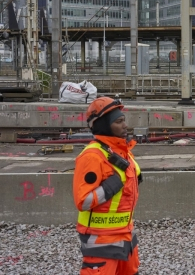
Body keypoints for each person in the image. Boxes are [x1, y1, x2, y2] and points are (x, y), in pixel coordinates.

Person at [73, 97, 142, 275]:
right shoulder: (92, 156)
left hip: (126, 235)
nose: (125, 125)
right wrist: (109, 188)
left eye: (124, 120)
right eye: (119, 122)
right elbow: (83, 201)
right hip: (101, 240)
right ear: (103, 125)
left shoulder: (122, 152)